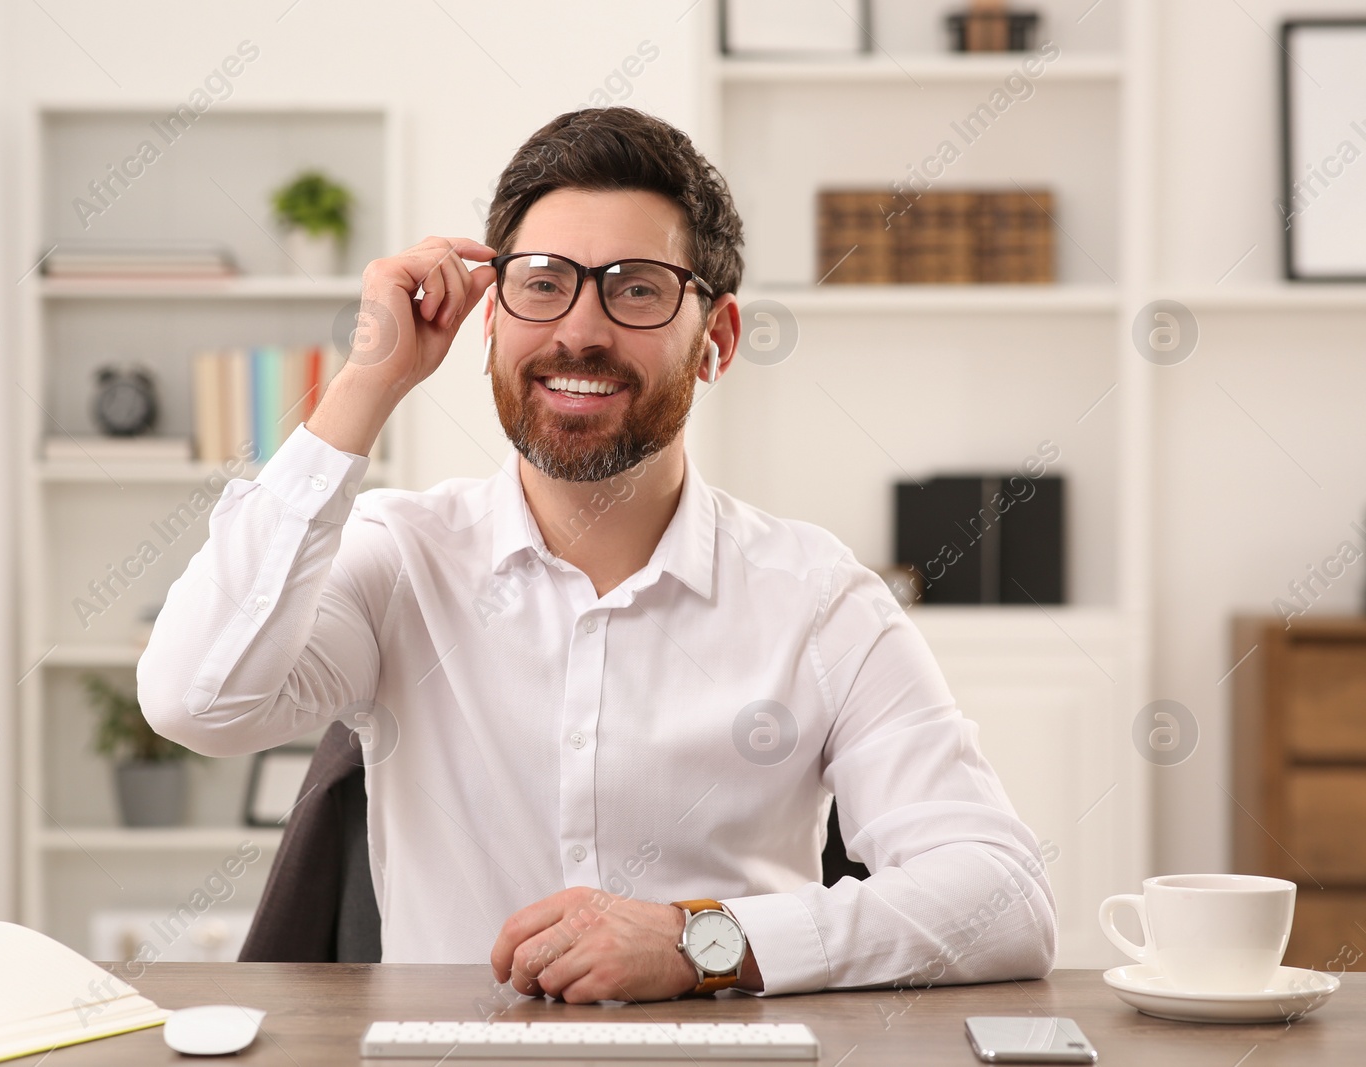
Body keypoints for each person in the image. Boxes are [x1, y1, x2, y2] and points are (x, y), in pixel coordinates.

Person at [138, 106, 1056, 1004]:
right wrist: (368, 380)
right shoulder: (398, 559)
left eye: (637, 287)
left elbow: (1003, 898)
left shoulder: (819, 599)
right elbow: (197, 701)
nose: (580, 329)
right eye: (542, 282)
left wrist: (704, 940)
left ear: (717, 341)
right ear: (490, 319)